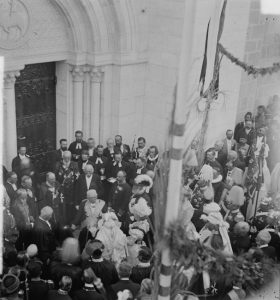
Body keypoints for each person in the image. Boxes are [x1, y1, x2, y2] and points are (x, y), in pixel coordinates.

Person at [54, 150, 80, 225]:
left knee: (70, 207)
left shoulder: (74, 164)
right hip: (61, 189)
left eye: (68, 157)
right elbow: (55, 177)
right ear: (62, 157)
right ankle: (62, 223)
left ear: (71, 157)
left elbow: (77, 177)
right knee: (61, 206)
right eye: (65, 157)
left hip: (71, 190)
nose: (67, 159)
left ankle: (69, 223)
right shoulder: (58, 164)